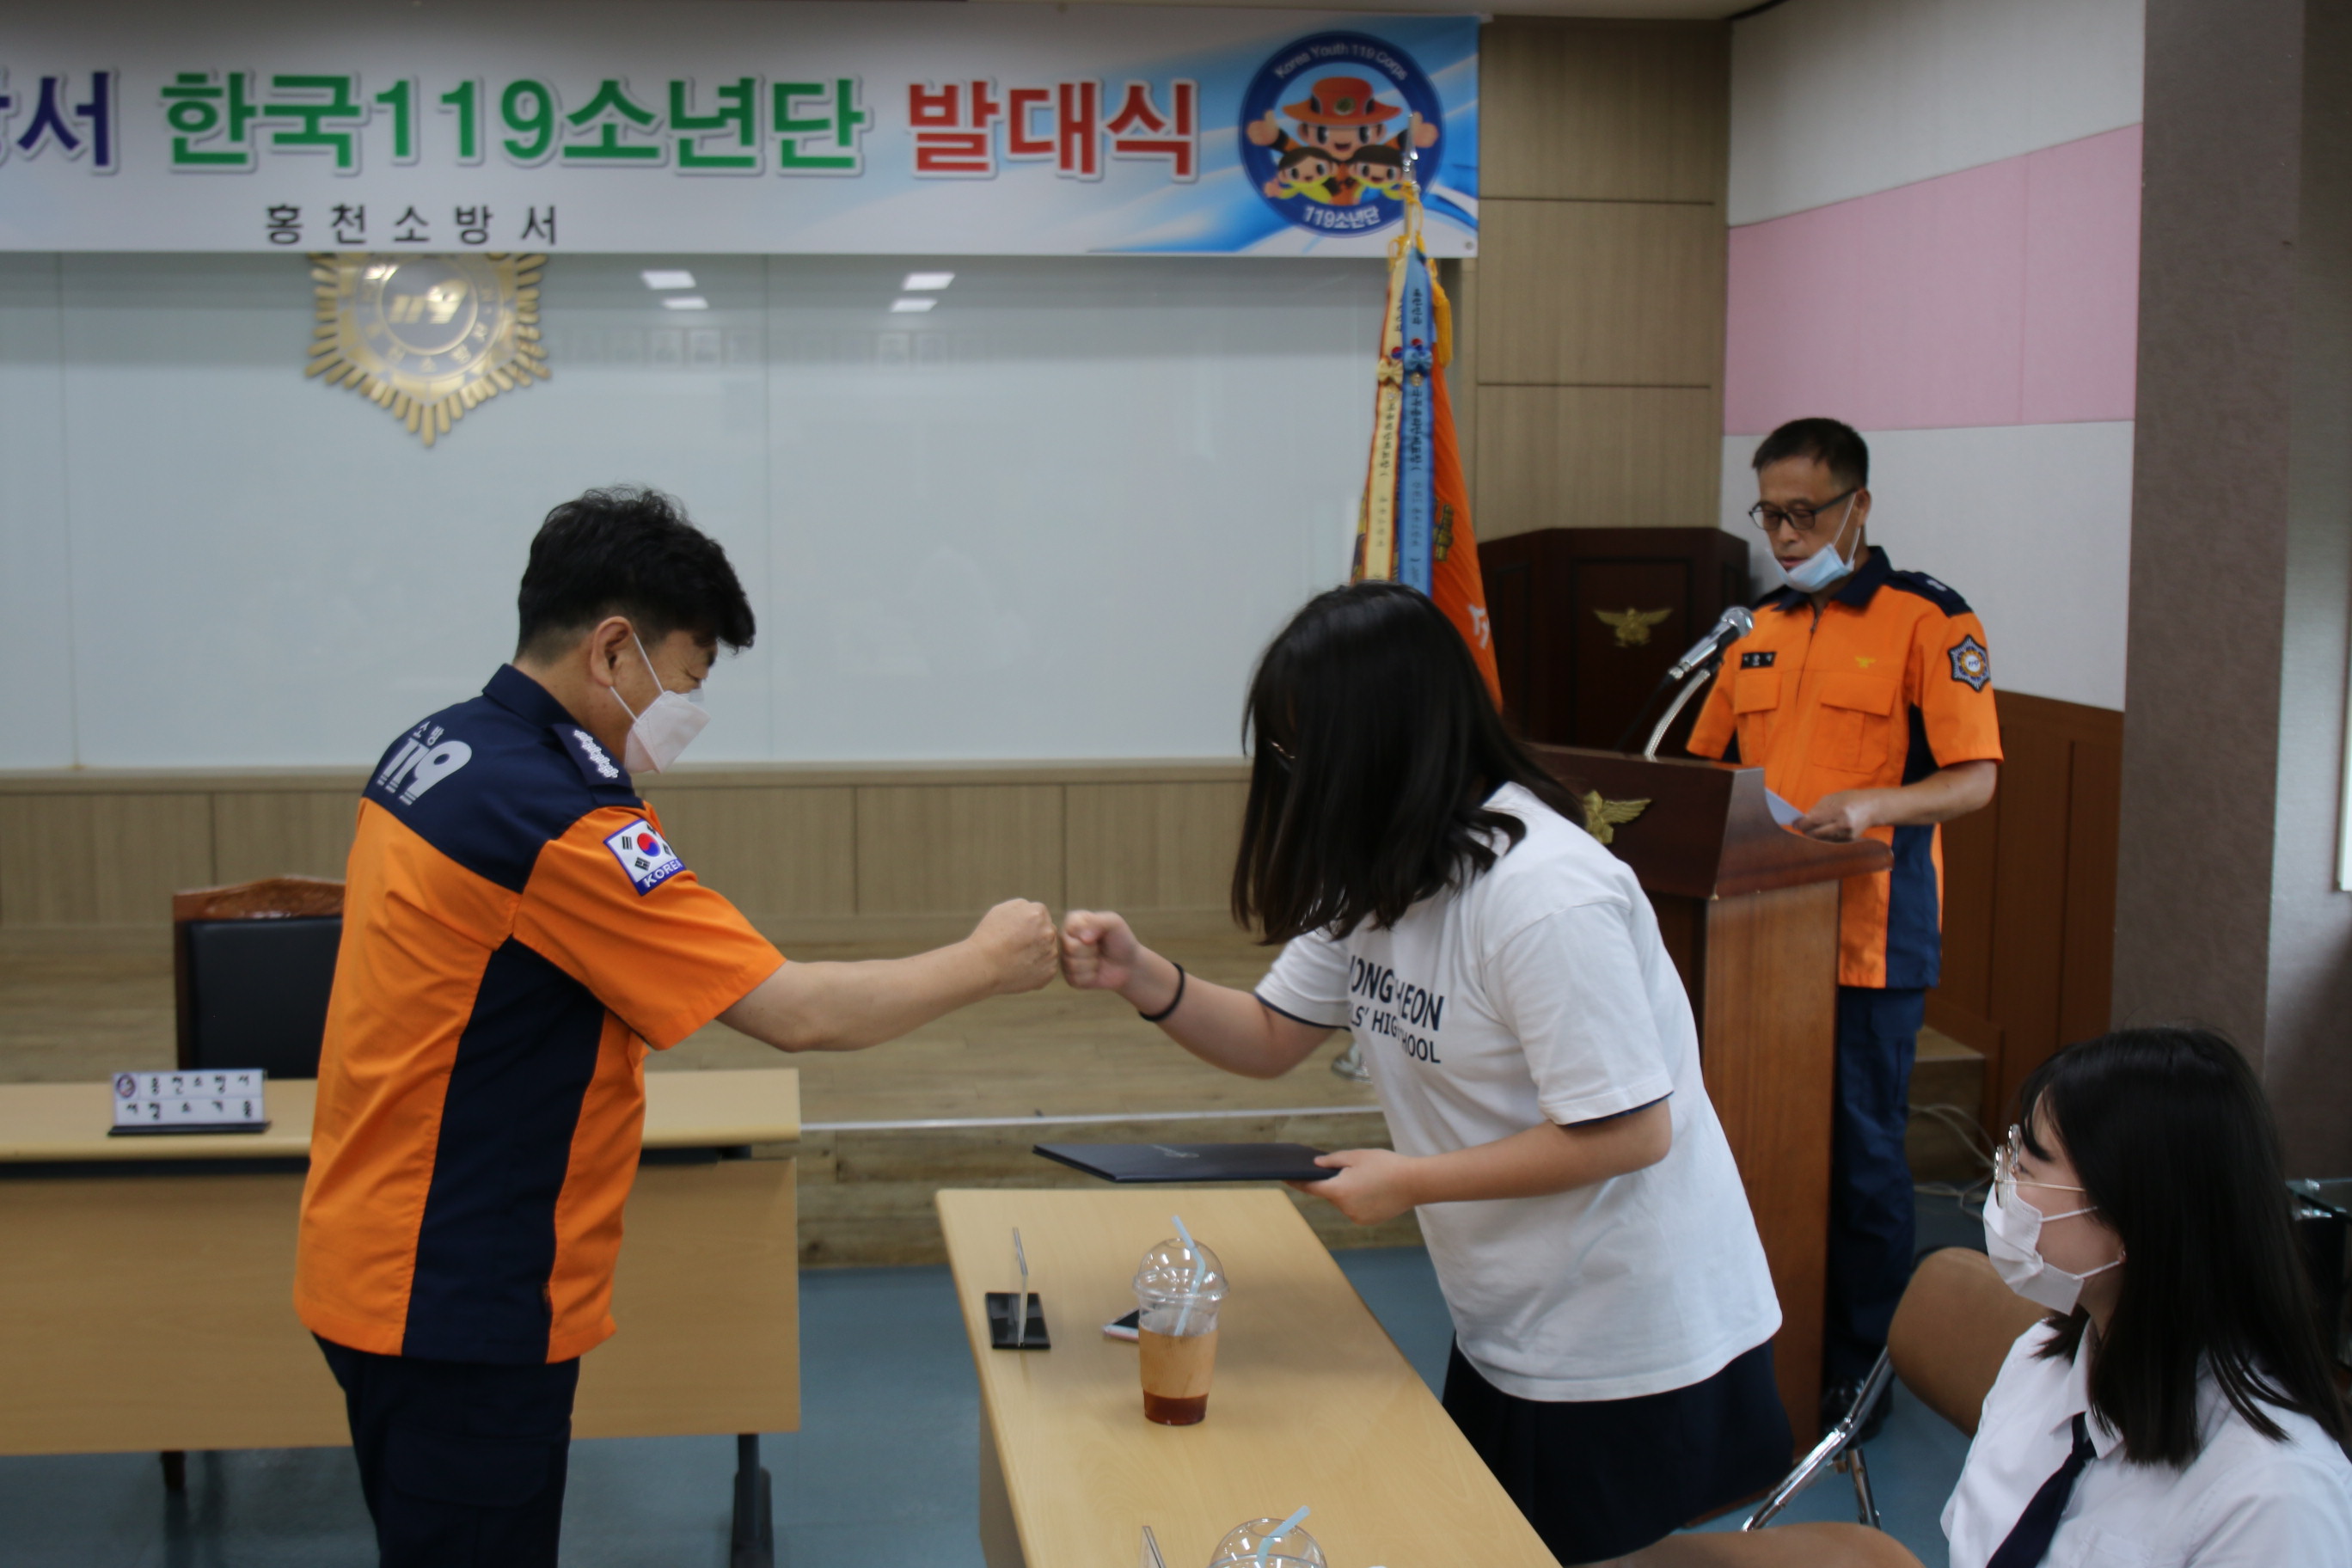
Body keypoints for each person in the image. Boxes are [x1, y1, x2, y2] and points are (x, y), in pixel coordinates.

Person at [293, 487, 1057, 1567]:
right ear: (613, 650)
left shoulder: (439, 747)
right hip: (458, 1294)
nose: (683, 715)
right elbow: (795, 1011)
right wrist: (987, 962)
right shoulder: (556, 818)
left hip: (376, 1245)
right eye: (685, 683)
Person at [1061, 582, 1787, 1565]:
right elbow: (1271, 1034)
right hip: (1509, 1315)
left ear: (1382, 745)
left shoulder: (1545, 897)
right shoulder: (1387, 870)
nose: (1293, 778)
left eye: (1303, 751)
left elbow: (1629, 1133)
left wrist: (1411, 1181)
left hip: (1625, 1333)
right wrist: (1141, 976)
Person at [1685, 416, 2001, 1436]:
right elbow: (1705, 772)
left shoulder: (1929, 619)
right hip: (1752, 941)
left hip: (1870, 935)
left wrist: (1874, 805)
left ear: (1858, 505)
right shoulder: (1757, 629)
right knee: (1750, 1150)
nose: (1784, 535)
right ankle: (1753, 1350)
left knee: (1862, 1165)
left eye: (1805, 514)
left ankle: (1860, 1375)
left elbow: (1974, 779)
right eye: (1768, 514)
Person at [1945, 1027, 2352, 1565]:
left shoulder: (2273, 1500)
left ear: (2134, 1221)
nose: (2005, 1186)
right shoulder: (2039, 1358)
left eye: (2026, 1168)